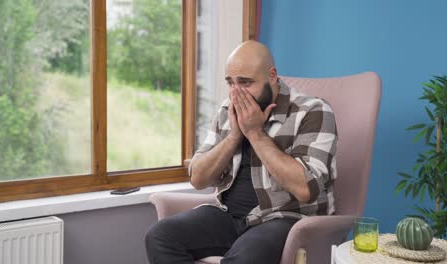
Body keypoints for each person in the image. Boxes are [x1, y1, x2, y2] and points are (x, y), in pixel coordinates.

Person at [145, 40, 338, 264]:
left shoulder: (313, 111)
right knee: (160, 236)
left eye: (245, 83)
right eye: (230, 83)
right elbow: (198, 178)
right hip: (228, 216)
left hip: (285, 218)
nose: (236, 93)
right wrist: (235, 136)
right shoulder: (228, 109)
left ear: (272, 76)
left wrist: (255, 133)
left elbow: (306, 189)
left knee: (246, 257)